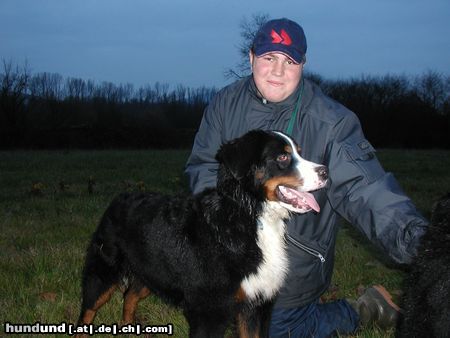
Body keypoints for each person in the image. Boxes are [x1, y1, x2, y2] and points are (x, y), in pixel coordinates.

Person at [185, 18, 428, 337]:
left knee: (273, 328)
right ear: (251, 57)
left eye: (290, 61)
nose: (277, 70)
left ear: (303, 64)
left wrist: (422, 242)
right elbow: (202, 165)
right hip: (228, 250)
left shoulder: (331, 122)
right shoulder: (223, 105)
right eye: (269, 58)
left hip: (294, 263)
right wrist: (220, 228)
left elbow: (365, 189)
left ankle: (358, 309)